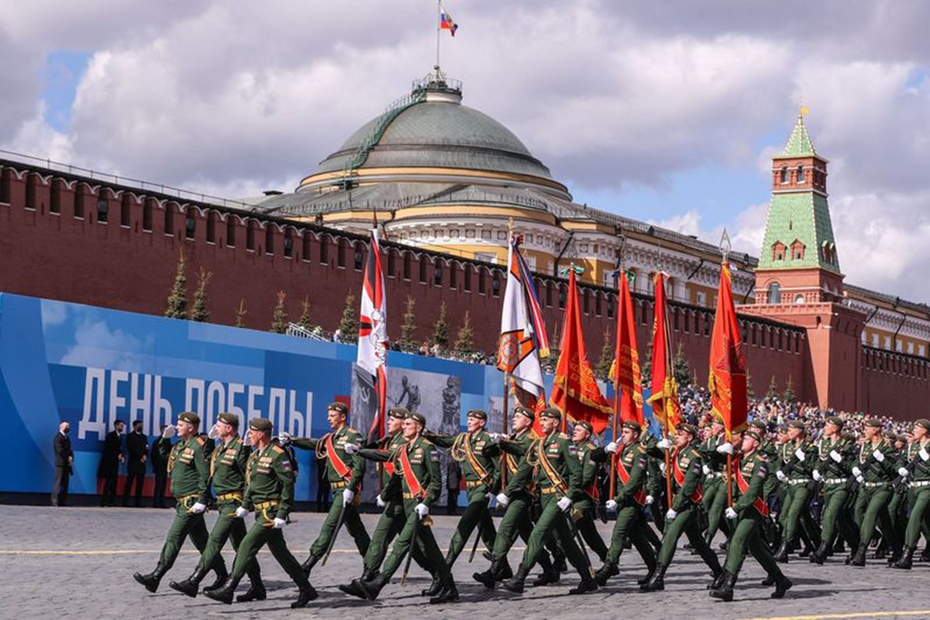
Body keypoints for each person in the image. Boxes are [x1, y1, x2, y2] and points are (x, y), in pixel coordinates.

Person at [204, 418, 317, 608]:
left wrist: (283, 512)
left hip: (270, 513)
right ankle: (307, 590)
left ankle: (229, 589)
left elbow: (287, 484)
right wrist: (245, 505)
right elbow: (251, 484)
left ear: (261, 434)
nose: (249, 434)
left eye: (252, 431)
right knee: (282, 554)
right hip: (259, 511)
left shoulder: (277, 455)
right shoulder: (255, 456)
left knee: (246, 546)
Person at [347, 411, 459, 604]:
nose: (405, 426)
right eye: (404, 423)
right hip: (405, 504)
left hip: (417, 505)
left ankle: (377, 584)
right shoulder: (403, 449)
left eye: (409, 424)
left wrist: (426, 503)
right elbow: (384, 456)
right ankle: (450, 587)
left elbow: (435, 481)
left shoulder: (427, 448)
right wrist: (359, 451)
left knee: (401, 544)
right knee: (430, 549)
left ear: (419, 428)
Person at [500, 407, 598, 595]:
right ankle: (588, 578)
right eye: (541, 420)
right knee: (567, 542)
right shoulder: (539, 443)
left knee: (538, 533)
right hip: (544, 497)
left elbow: (576, 473)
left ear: (555, 422)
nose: (542, 423)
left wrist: (570, 496)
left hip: (558, 497)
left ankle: (519, 578)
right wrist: (502, 442)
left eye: (546, 420)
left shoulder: (564, 442)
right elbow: (521, 450)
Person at [168, 413, 265, 601]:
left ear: (228, 428)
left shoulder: (239, 448)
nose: (216, 428)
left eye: (219, 425)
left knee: (214, 540)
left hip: (233, 503)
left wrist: (246, 503)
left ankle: (194, 581)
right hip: (223, 502)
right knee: (241, 546)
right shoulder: (221, 448)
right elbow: (208, 463)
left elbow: (249, 476)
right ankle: (258, 586)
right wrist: (211, 443)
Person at [133, 412, 228, 593]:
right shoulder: (179, 445)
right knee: (202, 543)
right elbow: (165, 457)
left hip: (190, 503)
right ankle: (222, 574)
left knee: (174, 537)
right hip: (181, 501)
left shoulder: (198, 446)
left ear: (190, 427)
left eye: (180, 424)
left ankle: (156, 576)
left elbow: (204, 474)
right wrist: (164, 440)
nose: (176, 427)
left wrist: (202, 500)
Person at [283, 402, 370, 577]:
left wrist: (351, 489)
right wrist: (293, 441)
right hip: (336, 490)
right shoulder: (330, 438)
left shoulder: (354, 436)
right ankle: (372, 565)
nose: (328, 419)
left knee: (329, 526)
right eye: (329, 415)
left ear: (343, 417)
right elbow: (314, 445)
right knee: (357, 530)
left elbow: (359, 465)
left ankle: (308, 565)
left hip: (346, 490)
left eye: (332, 415)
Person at [476, 406, 558, 588]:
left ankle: (494, 570)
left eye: (518, 417)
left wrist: (506, 492)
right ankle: (549, 568)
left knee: (505, 528)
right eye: (514, 416)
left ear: (528, 422)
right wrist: (494, 489)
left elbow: (523, 472)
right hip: (512, 493)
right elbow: (497, 464)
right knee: (527, 533)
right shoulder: (512, 439)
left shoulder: (529, 441)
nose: (514, 419)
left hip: (522, 493)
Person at [709, 429, 791, 602]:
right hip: (739, 509)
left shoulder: (760, 463)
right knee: (758, 550)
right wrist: (720, 450)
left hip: (751, 510)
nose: (743, 440)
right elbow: (713, 459)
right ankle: (780, 579)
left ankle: (728, 586)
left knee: (737, 542)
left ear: (755, 443)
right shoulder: (738, 458)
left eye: (746, 439)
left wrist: (737, 508)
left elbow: (753, 492)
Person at [425, 409, 504, 584]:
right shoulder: (463, 439)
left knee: (465, 525)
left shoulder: (488, 441)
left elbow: (499, 469)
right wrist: (427, 434)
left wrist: (493, 490)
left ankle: (444, 569)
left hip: (482, 489)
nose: (468, 422)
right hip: (470, 490)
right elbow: (445, 441)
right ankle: (502, 567)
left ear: (482, 422)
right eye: (467, 419)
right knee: (486, 530)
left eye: (472, 419)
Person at [642, 424, 723, 591]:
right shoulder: (673, 452)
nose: (676, 436)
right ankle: (719, 572)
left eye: (681, 434)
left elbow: (689, 487)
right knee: (699, 543)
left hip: (687, 505)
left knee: (670, 536)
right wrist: (657, 444)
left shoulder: (694, 457)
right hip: (677, 503)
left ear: (690, 438)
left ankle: (659, 576)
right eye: (676, 434)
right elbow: (648, 450)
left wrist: (675, 507)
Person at [595, 421, 657, 587]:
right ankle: (654, 569)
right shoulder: (620, 449)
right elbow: (595, 458)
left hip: (631, 501)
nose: (623, 435)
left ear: (636, 434)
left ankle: (608, 569)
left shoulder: (639, 452)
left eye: (627, 432)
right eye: (622, 431)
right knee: (637, 538)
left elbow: (635, 480)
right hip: (622, 500)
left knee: (618, 534)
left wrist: (618, 499)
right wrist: (606, 450)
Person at [849, 419, 900, 566]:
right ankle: (897, 549)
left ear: (876, 430)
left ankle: (861, 551)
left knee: (871, 514)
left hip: (882, 487)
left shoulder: (887, 448)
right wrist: (855, 468)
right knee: (878, 520)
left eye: (867, 428)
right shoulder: (865, 445)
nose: (864, 430)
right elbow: (857, 460)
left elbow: (893, 470)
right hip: (866, 487)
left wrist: (883, 459)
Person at [809, 416, 859, 564]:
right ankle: (856, 546)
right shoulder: (823, 443)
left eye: (828, 425)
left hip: (841, 485)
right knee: (839, 521)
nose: (824, 427)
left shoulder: (847, 445)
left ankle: (823, 550)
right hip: (828, 485)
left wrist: (840, 460)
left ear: (836, 428)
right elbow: (820, 461)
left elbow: (851, 468)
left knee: (829, 514)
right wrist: (817, 470)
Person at [773, 420, 821, 561]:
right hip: (791, 485)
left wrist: (804, 460)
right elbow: (780, 463)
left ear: (799, 431)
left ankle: (784, 549)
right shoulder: (787, 447)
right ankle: (816, 543)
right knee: (787, 517)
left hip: (803, 485)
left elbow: (812, 468)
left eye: (791, 430)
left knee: (793, 515)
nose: (789, 433)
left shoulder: (810, 448)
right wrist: (779, 471)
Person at [892, 418, 930, 569]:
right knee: (924, 521)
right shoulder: (912, 446)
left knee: (915, 516)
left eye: (917, 428)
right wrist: (901, 468)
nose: (914, 430)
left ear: (925, 431)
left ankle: (907, 555)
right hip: (912, 487)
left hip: (927, 486)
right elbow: (900, 459)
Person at [569, 420, 609, 563]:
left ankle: (557, 565)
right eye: (575, 429)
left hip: (582, 498)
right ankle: (609, 561)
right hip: (571, 496)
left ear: (587, 435)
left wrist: (569, 491)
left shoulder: (590, 450)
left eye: (579, 430)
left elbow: (587, 477)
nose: (575, 431)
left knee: (567, 533)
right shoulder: (572, 448)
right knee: (590, 535)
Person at [98, 419, 125, 507]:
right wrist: (117, 455)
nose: (122, 427)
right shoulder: (110, 436)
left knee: (114, 482)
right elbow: (109, 449)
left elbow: (119, 448)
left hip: (115, 463)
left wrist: (121, 455)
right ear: (116, 426)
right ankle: (104, 501)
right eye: (121, 425)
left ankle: (111, 500)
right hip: (109, 463)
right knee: (108, 482)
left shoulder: (120, 436)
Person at [123, 420, 149, 507]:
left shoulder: (144, 437)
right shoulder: (130, 436)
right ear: (134, 426)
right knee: (129, 483)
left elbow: (147, 448)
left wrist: (145, 455)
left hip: (142, 464)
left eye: (141, 425)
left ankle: (138, 502)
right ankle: (125, 502)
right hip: (133, 463)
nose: (140, 427)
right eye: (139, 425)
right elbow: (131, 449)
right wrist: (140, 456)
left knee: (140, 484)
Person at [52, 421, 73, 507]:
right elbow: (60, 450)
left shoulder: (67, 438)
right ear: (61, 426)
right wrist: (67, 457)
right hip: (60, 463)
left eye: (68, 426)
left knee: (65, 483)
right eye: (66, 426)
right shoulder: (57, 438)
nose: (68, 428)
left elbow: (69, 450)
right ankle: (55, 500)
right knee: (58, 482)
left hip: (67, 464)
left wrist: (71, 456)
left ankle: (63, 501)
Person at [151, 425, 171, 508]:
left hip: (165, 467)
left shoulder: (168, 441)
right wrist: (155, 466)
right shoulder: (157, 442)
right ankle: (156, 502)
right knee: (158, 485)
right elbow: (153, 455)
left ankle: (162, 501)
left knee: (163, 485)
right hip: (159, 467)